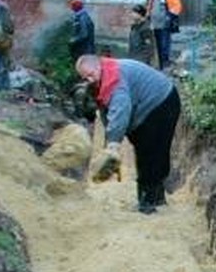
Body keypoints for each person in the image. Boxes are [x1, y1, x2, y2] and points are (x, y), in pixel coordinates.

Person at [74, 53, 180, 213]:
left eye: (90, 74)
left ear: (98, 66)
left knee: (150, 152)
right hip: (146, 106)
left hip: (161, 102)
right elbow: (107, 113)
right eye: (84, 77)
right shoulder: (103, 76)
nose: (89, 79)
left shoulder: (114, 80)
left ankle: (148, 203)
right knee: (147, 150)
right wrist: (109, 145)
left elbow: (120, 113)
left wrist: (113, 145)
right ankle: (156, 198)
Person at [145, 0, 176, 71]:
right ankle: (160, 63)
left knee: (164, 44)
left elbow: (176, 8)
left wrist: (169, 18)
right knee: (158, 45)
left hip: (165, 25)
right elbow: (149, 9)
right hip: (155, 25)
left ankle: (165, 62)